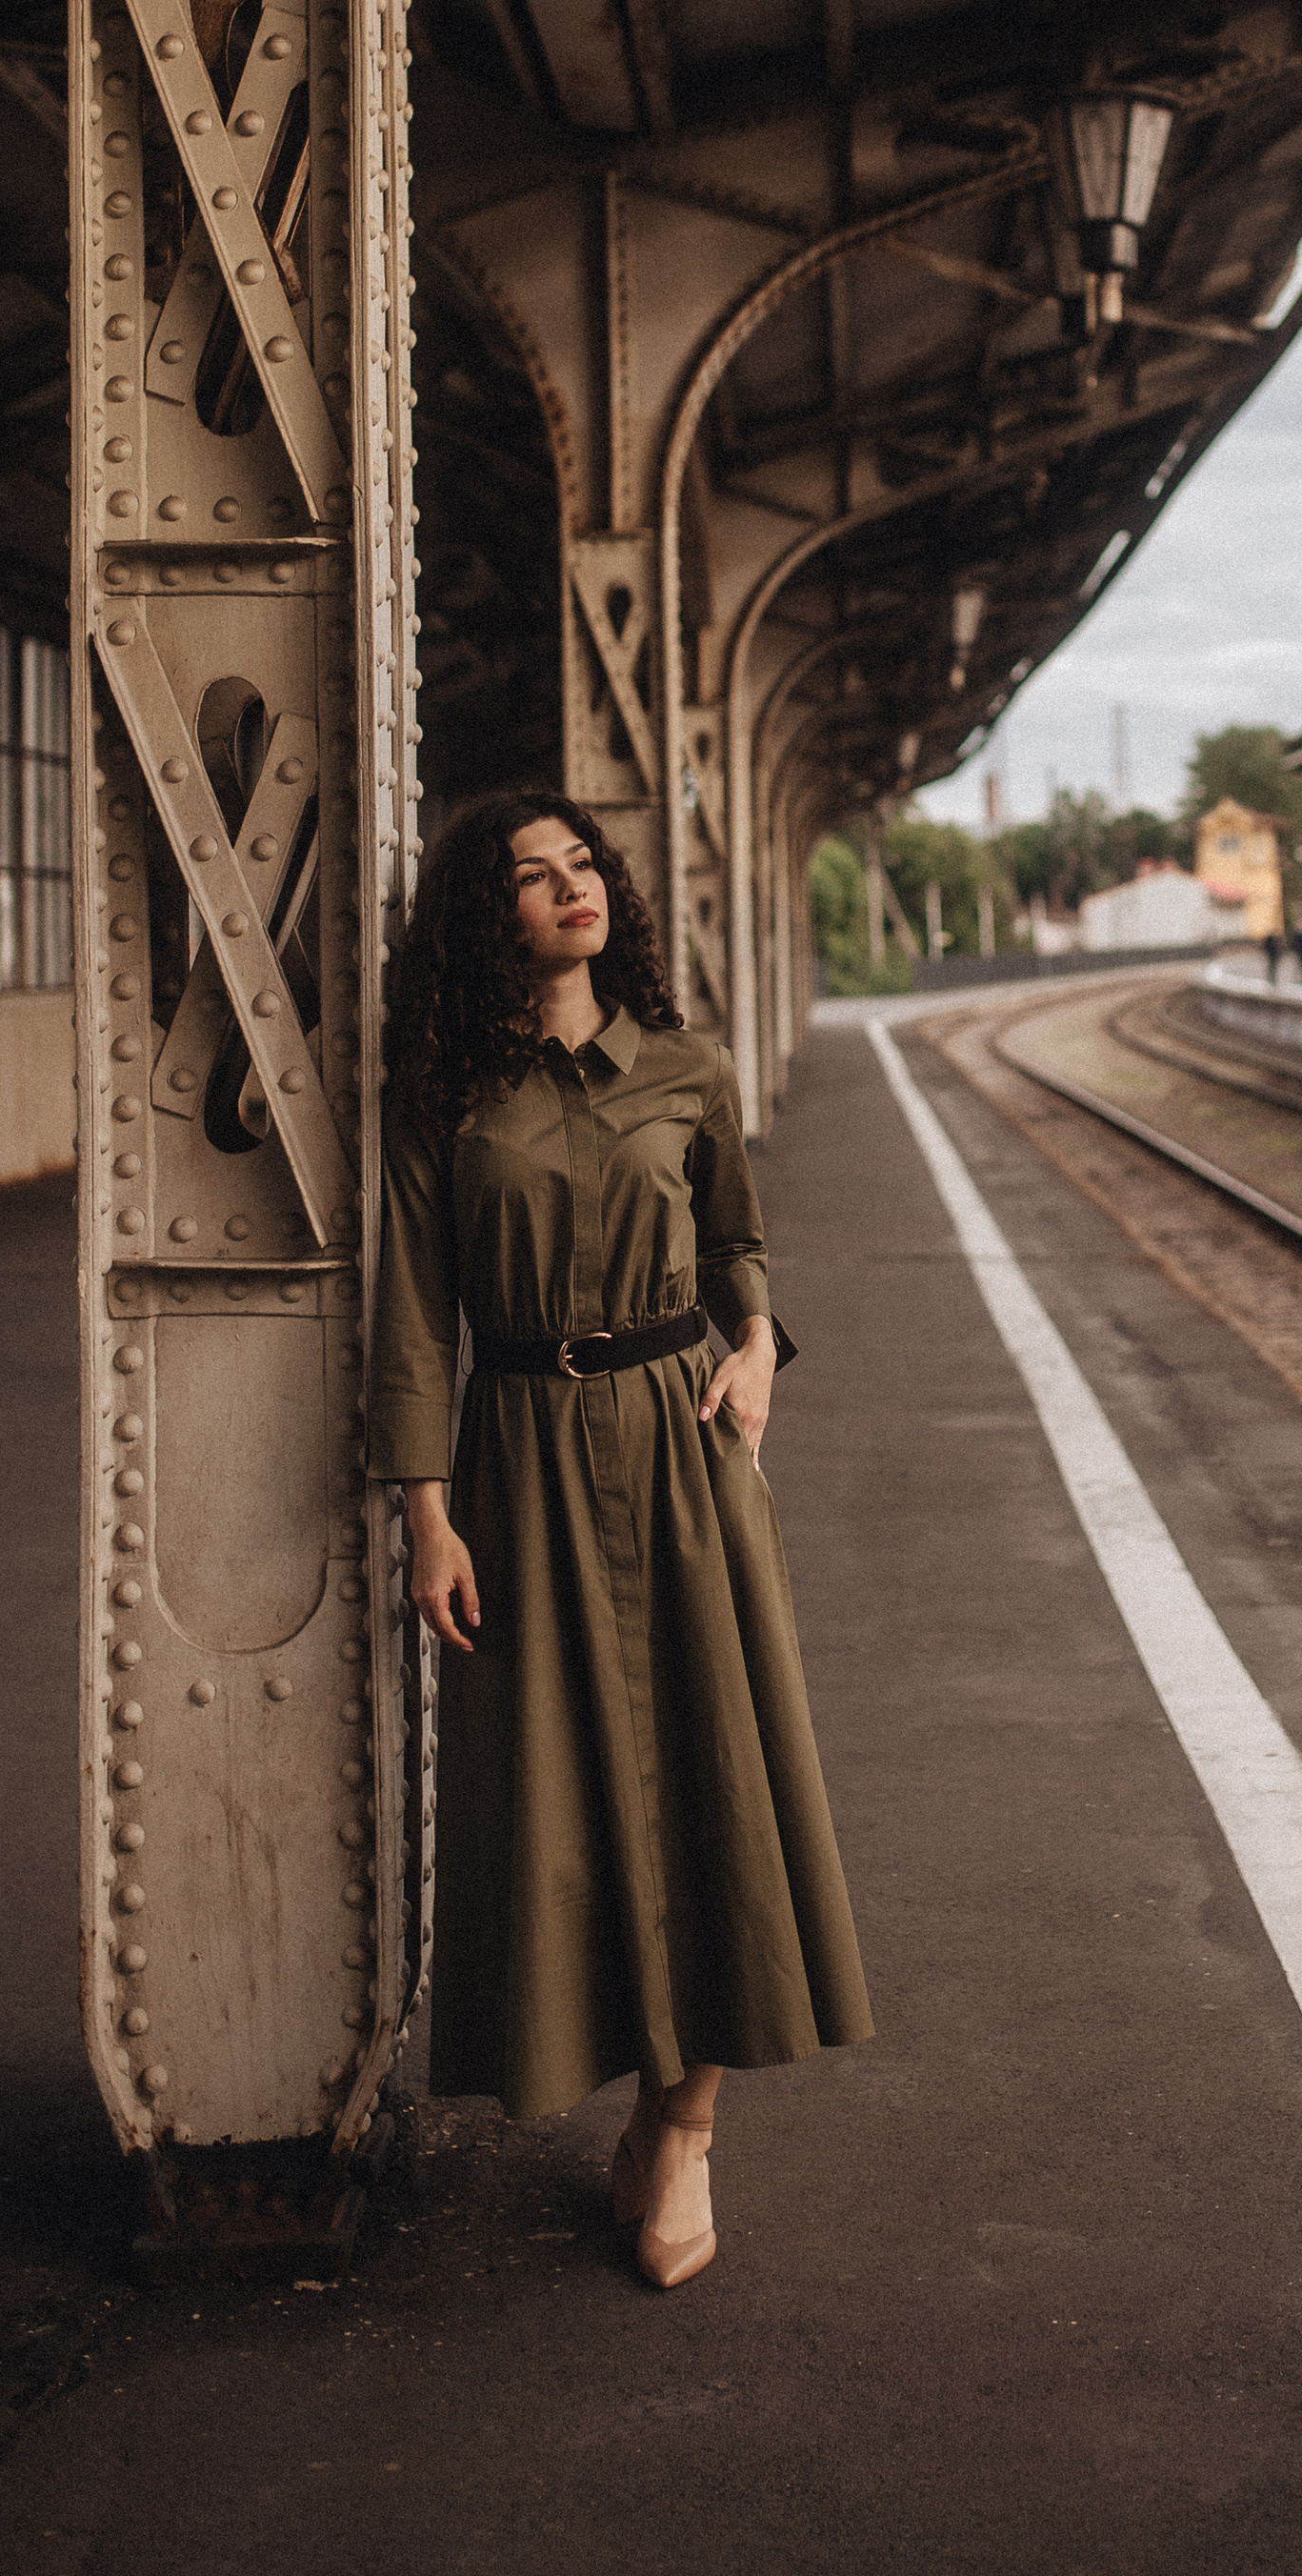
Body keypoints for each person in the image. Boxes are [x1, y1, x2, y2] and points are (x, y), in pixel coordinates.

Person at [367, 788, 872, 2289]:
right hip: (517, 1452)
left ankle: (686, 2127)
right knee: (558, 1792)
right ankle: (613, 2084)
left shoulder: (685, 1067)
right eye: (532, 876)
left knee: (717, 1765)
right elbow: (410, 1316)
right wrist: (426, 1516)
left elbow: (736, 1243)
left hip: (679, 1449)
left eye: (582, 863)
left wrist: (763, 1346)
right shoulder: (443, 1096)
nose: (570, 887)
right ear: (487, 919)